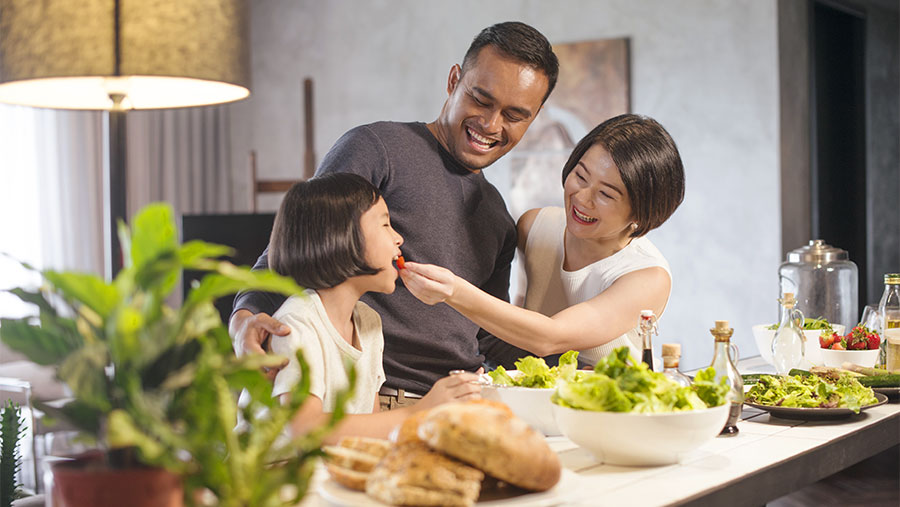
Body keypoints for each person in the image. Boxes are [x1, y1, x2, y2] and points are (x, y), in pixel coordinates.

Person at [230, 21, 559, 408]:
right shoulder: (378, 149)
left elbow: (487, 332)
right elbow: (297, 248)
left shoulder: (498, 216)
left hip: (459, 400)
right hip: (378, 398)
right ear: (454, 80)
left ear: (532, 119)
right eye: (481, 100)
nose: (491, 124)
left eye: (514, 115)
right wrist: (244, 320)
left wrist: (566, 369)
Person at [400, 114, 685, 365]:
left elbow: (550, 337)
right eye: (581, 176)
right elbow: (521, 310)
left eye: (606, 194)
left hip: (613, 408)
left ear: (643, 211)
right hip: (539, 398)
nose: (582, 198)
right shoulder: (535, 226)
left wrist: (453, 291)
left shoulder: (647, 276)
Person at [267, 174, 481, 442]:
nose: (398, 238)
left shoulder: (368, 321)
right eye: (385, 224)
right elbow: (304, 428)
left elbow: (372, 425)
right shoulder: (297, 323)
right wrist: (420, 411)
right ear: (342, 236)